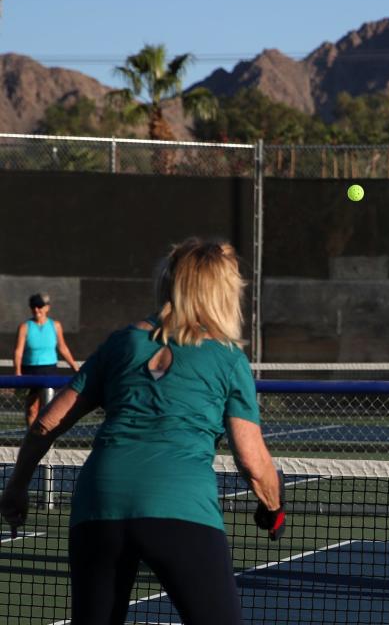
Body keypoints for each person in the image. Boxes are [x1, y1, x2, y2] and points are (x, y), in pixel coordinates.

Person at [0, 239, 284, 624]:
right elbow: (252, 461)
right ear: (223, 293)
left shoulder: (121, 343)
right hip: (181, 508)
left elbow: (45, 423)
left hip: (99, 506)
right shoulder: (228, 358)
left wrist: (16, 488)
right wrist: (273, 507)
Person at [13, 292, 80, 428]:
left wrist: (75, 367)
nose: (36, 310)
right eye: (33, 306)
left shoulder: (55, 325)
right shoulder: (25, 327)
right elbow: (18, 351)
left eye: (39, 306)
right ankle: (31, 437)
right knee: (32, 409)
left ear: (47, 308)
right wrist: (17, 372)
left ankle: (47, 440)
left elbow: (63, 348)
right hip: (30, 371)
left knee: (49, 408)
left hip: (49, 370)